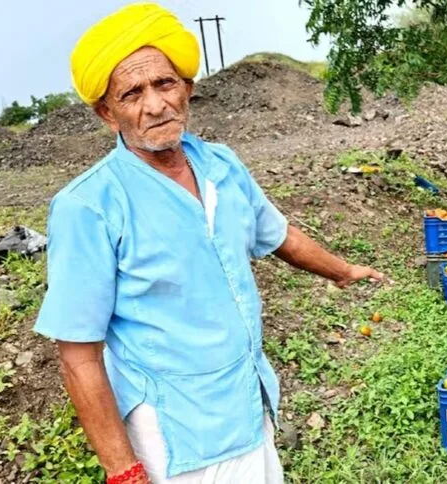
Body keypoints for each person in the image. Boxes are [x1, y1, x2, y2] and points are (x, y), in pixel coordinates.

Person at [33, 3, 384, 483]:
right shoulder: (89, 206)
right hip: (177, 433)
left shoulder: (221, 164)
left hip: (247, 397)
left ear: (188, 89)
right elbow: (78, 355)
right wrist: (124, 471)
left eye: (165, 83)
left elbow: (276, 233)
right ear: (106, 113)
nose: (154, 104)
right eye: (132, 93)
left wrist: (344, 272)